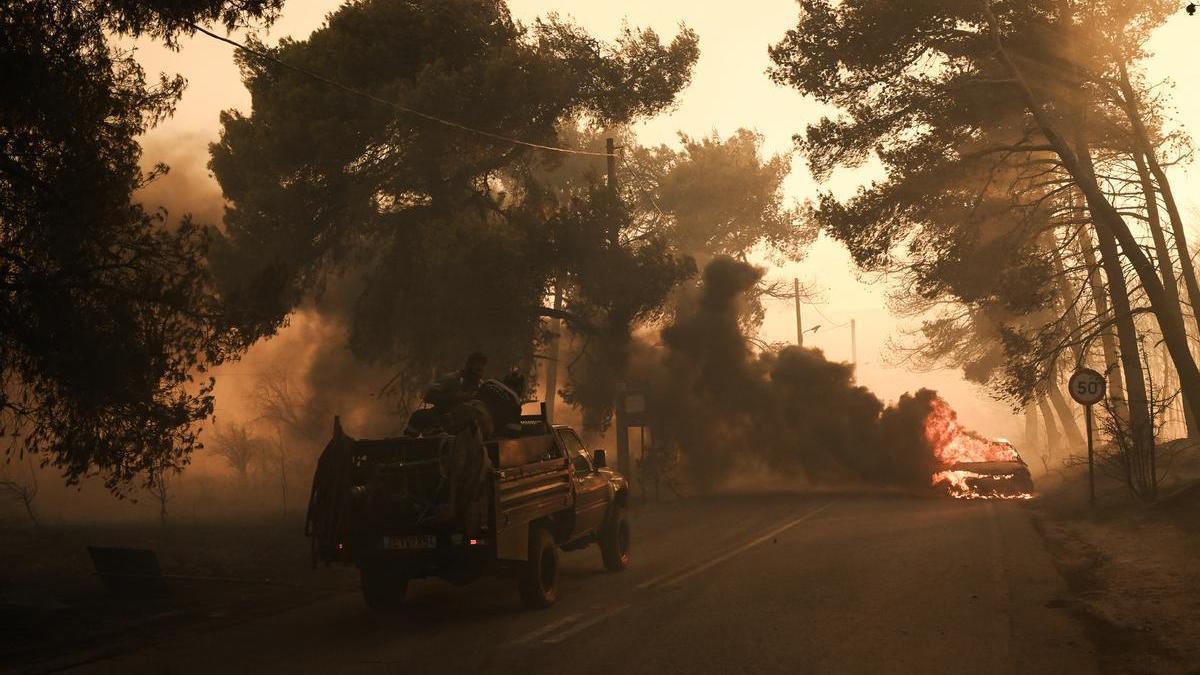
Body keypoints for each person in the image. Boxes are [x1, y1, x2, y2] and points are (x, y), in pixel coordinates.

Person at [405, 352, 488, 435]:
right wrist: (455, 398)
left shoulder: (481, 386)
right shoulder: (452, 379)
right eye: (477, 370)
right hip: (442, 421)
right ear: (468, 366)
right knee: (418, 417)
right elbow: (429, 396)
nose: (479, 374)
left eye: (481, 370)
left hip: (465, 426)